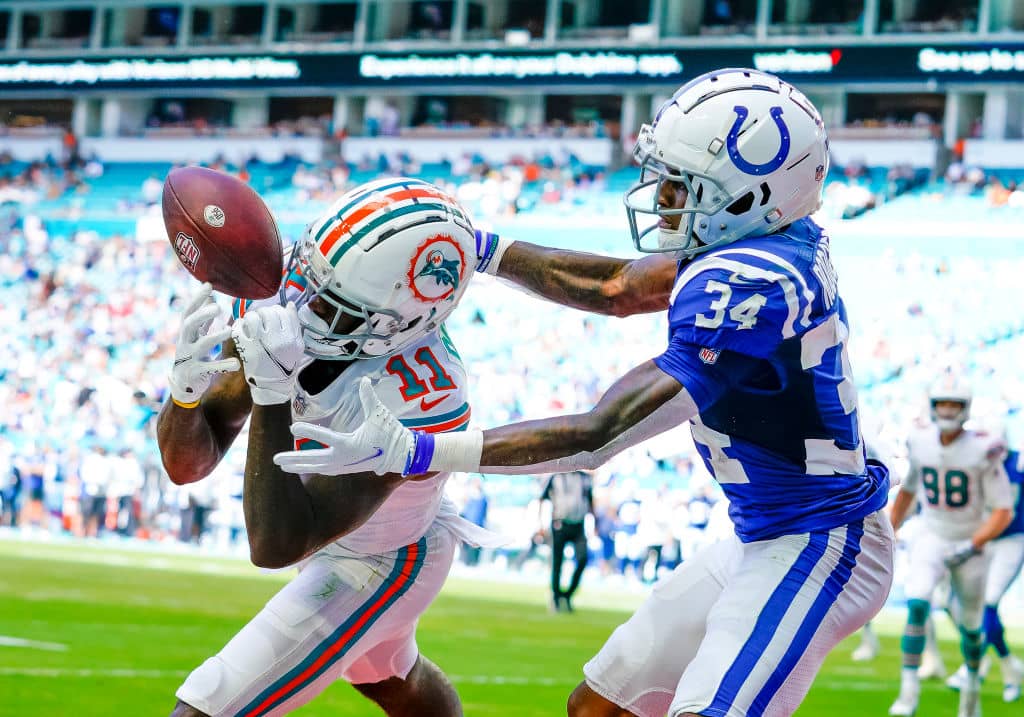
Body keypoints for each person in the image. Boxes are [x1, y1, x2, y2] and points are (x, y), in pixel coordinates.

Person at [274, 68, 895, 717]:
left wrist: (419, 450)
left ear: (753, 196)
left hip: (822, 540)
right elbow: (615, 287)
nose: (663, 197)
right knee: (599, 707)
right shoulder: (766, 238)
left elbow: (600, 434)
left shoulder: (753, 280)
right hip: (763, 530)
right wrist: (479, 249)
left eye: (684, 185)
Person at [158, 177, 492, 717]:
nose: (302, 305)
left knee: (205, 707)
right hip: (328, 530)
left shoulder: (421, 396)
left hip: (383, 557)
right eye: (308, 277)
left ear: (398, 324)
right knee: (392, 682)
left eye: (331, 306)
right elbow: (186, 466)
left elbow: (275, 545)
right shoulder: (284, 288)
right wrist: (184, 396)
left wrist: (272, 393)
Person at [887, 381, 1013, 717]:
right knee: (917, 602)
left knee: (971, 626)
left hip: (970, 536)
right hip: (932, 532)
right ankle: (908, 692)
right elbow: (908, 490)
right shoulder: (920, 441)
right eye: (942, 403)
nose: (946, 410)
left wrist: (973, 543)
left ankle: (971, 688)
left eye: (953, 404)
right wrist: (891, 527)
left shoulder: (983, 449)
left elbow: (1003, 511)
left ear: (965, 408)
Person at [946, 441, 1024, 703]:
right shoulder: (972, 462)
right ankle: (1008, 664)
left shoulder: (1017, 463)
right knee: (950, 602)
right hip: (982, 538)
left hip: (1011, 539)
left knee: (987, 602)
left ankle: (972, 666)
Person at [540, 470, 594, 612]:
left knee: (582, 559)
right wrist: (541, 524)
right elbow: (543, 499)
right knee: (557, 563)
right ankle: (556, 597)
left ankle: (567, 595)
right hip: (559, 523)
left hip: (579, 524)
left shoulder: (585, 478)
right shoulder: (556, 477)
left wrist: (595, 524)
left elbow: (590, 500)